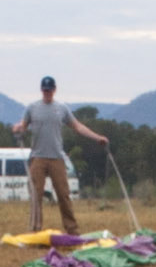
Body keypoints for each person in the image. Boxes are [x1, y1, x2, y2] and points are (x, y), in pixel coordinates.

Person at [13, 77, 105, 234]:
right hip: (37, 157)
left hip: (57, 157)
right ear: (41, 90)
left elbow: (77, 126)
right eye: (44, 90)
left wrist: (97, 138)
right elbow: (23, 125)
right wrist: (18, 128)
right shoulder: (32, 108)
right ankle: (35, 229)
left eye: (49, 90)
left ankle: (72, 229)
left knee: (63, 194)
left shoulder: (62, 108)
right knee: (36, 195)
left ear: (54, 90)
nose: (47, 93)